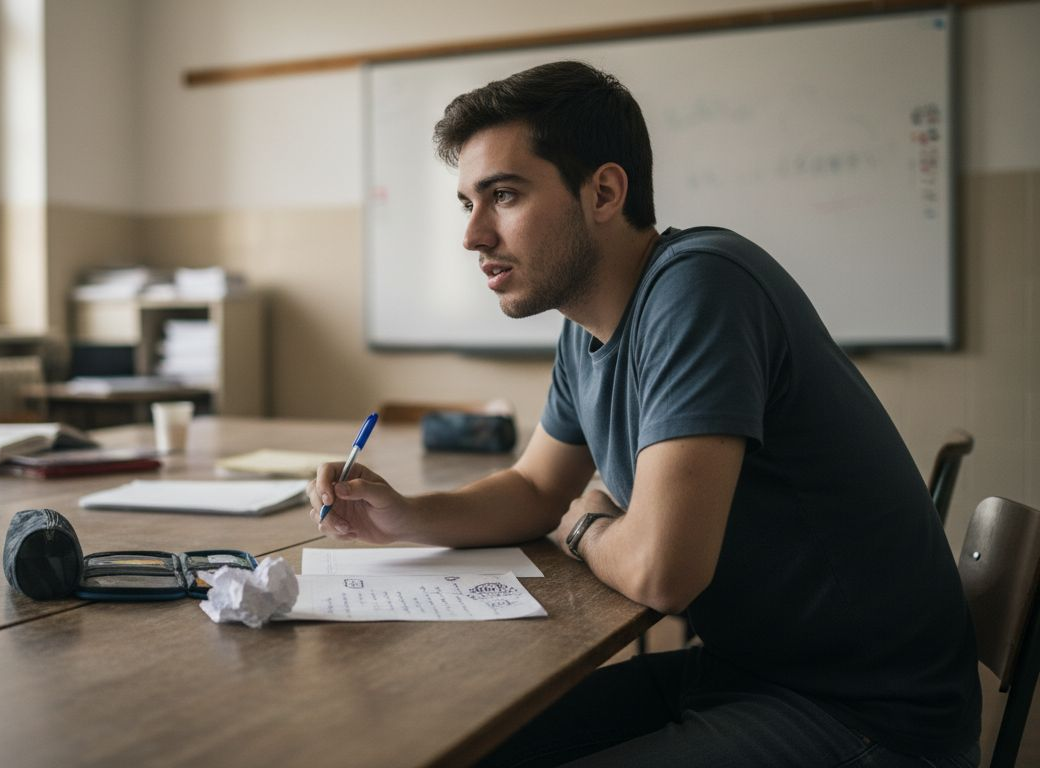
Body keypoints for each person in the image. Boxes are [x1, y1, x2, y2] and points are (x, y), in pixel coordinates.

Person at [308, 62, 980, 767]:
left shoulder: (701, 287)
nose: (473, 235)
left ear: (603, 191)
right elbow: (539, 489)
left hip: (866, 716)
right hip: (745, 674)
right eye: (466, 203)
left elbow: (663, 572)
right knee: (463, 746)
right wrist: (403, 514)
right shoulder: (587, 326)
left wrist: (587, 525)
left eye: (502, 196)